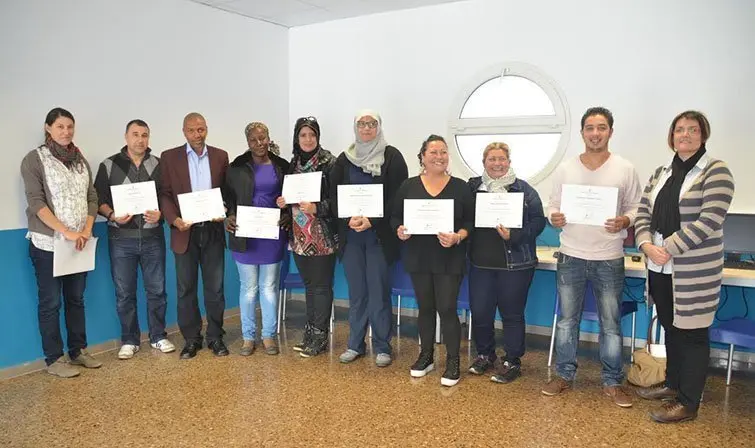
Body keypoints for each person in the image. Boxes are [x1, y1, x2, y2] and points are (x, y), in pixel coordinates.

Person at [635, 110, 734, 423]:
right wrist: (646, 245)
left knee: (692, 335)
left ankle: (689, 403)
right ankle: (672, 384)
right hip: (659, 266)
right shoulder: (661, 172)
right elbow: (642, 214)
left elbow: (709, 220)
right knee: (670, 328)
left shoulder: (716, 171)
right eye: (679, 130)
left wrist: (668, 247)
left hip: (694, 270)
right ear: (672, 136)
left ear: (703, 135)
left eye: (693, 130)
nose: (685, 135)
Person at [542, 107, 642, 408]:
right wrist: (554, 217)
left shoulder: (625, 168)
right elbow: (552, 205)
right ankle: (563, 375)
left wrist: (625, 221)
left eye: (601, 127)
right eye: (589, 127)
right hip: (571, 255)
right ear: (582, 133)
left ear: (610, 131)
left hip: (609, 257)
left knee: (610, 323)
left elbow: (637, 208)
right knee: (566, 322)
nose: (595, 133)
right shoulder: (566, 168)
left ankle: (613, 381)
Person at [21, 107, 102, 377]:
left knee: (76, 299)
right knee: (51, 302)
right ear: (48, 128)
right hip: (48, 244)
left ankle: (78, 351)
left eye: (69, 127)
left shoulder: (80, 160)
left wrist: (86, 229)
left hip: (79, 243)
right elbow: (36, 203)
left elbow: (92, 197)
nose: (66, 132)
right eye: (60, 127)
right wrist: (66, 231)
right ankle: (54, 360)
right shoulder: (34, 160)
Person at [391, 134, 474, 387]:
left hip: (450, 257)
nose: (439, 157)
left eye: (443, 152)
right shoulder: (408, 186)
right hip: (419, 256)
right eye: (433, 152)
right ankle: (425, 356)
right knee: (425, 308)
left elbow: (470, 223)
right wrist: (400, 230)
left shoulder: (461, 187)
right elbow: (395, 217)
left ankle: (452, 361)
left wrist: (458, 237)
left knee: (447, 309)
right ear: (423, 156)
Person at [330, 110, 408, 367]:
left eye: (371, 124)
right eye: (362, 124)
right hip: (351, 237)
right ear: (355, 127)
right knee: (357, 293)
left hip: (379, 237)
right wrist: (348, 219)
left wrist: (372, 220)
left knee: (378, 291)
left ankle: (383, 347)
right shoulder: (344, 159)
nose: (366, 128)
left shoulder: (392, 157)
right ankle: (355, 344)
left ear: (379, 126)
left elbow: (398, 197)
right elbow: (335, 197)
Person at [94, 119, 175, 360]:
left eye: (145, 135)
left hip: (152, 236)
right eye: (135, 134)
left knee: (157, 290)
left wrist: (161, 212)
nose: (140, 139)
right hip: (121, 239)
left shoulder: (159, 164)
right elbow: (98, 199)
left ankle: (158, 336)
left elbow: (167, 197)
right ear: (126, 137)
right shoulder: (109, 165)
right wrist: (111, 214)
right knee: (124, 292)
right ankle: (129, 340)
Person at [467, 142, 546, 383]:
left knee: (511, 314)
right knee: (480, 312)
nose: (497, 163)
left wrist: (515, 235)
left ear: (509, 162)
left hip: (516, 265)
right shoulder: (472, 189)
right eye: (492, 159)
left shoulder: (525, 190)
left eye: (502, 159)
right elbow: (460, 216)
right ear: (484, 163)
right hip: (480, 264)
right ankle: (484, 354)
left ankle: (512, 360)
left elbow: (539, 221)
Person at [159, 112, 229, 359]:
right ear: (184, 131)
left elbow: (226, 193)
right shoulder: (169, 158)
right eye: (192, 130)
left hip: (212, 231)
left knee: (215, 288)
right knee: (185, 289)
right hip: (184, 232)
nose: (197, 135)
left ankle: (216, 337)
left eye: (201, 130)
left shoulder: (220, 156)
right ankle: (191, 339)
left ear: (206, 129)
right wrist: (173, 220)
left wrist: (224, 211)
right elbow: (165, 194)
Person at [224, 122, 289, 356]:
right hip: (245, 235)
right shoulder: (236, 167)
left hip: (272, 235)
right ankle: (248, 337)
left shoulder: (282, 166)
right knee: (249, 288)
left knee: (269, 287)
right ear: (248, 142)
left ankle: (269, 336)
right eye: (254, 140)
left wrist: (287, 214)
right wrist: (229, 215)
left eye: (263, 138)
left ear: (269, 138)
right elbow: (227, 198)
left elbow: (290, 197)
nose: (260, 143)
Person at [275, 116, 337, 358]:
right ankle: (310, 333)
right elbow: (290, 197)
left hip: (322, 236)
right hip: (299, 237)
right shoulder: (292, 164)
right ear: (296, 138)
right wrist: (283, 202)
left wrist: (318, 208)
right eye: (303, 135)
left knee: (321, 287)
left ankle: (320, 337)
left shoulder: (330, 163)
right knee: (309, 286)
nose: (308, 139)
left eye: (312, 134)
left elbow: (338, 201)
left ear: (318, 136)